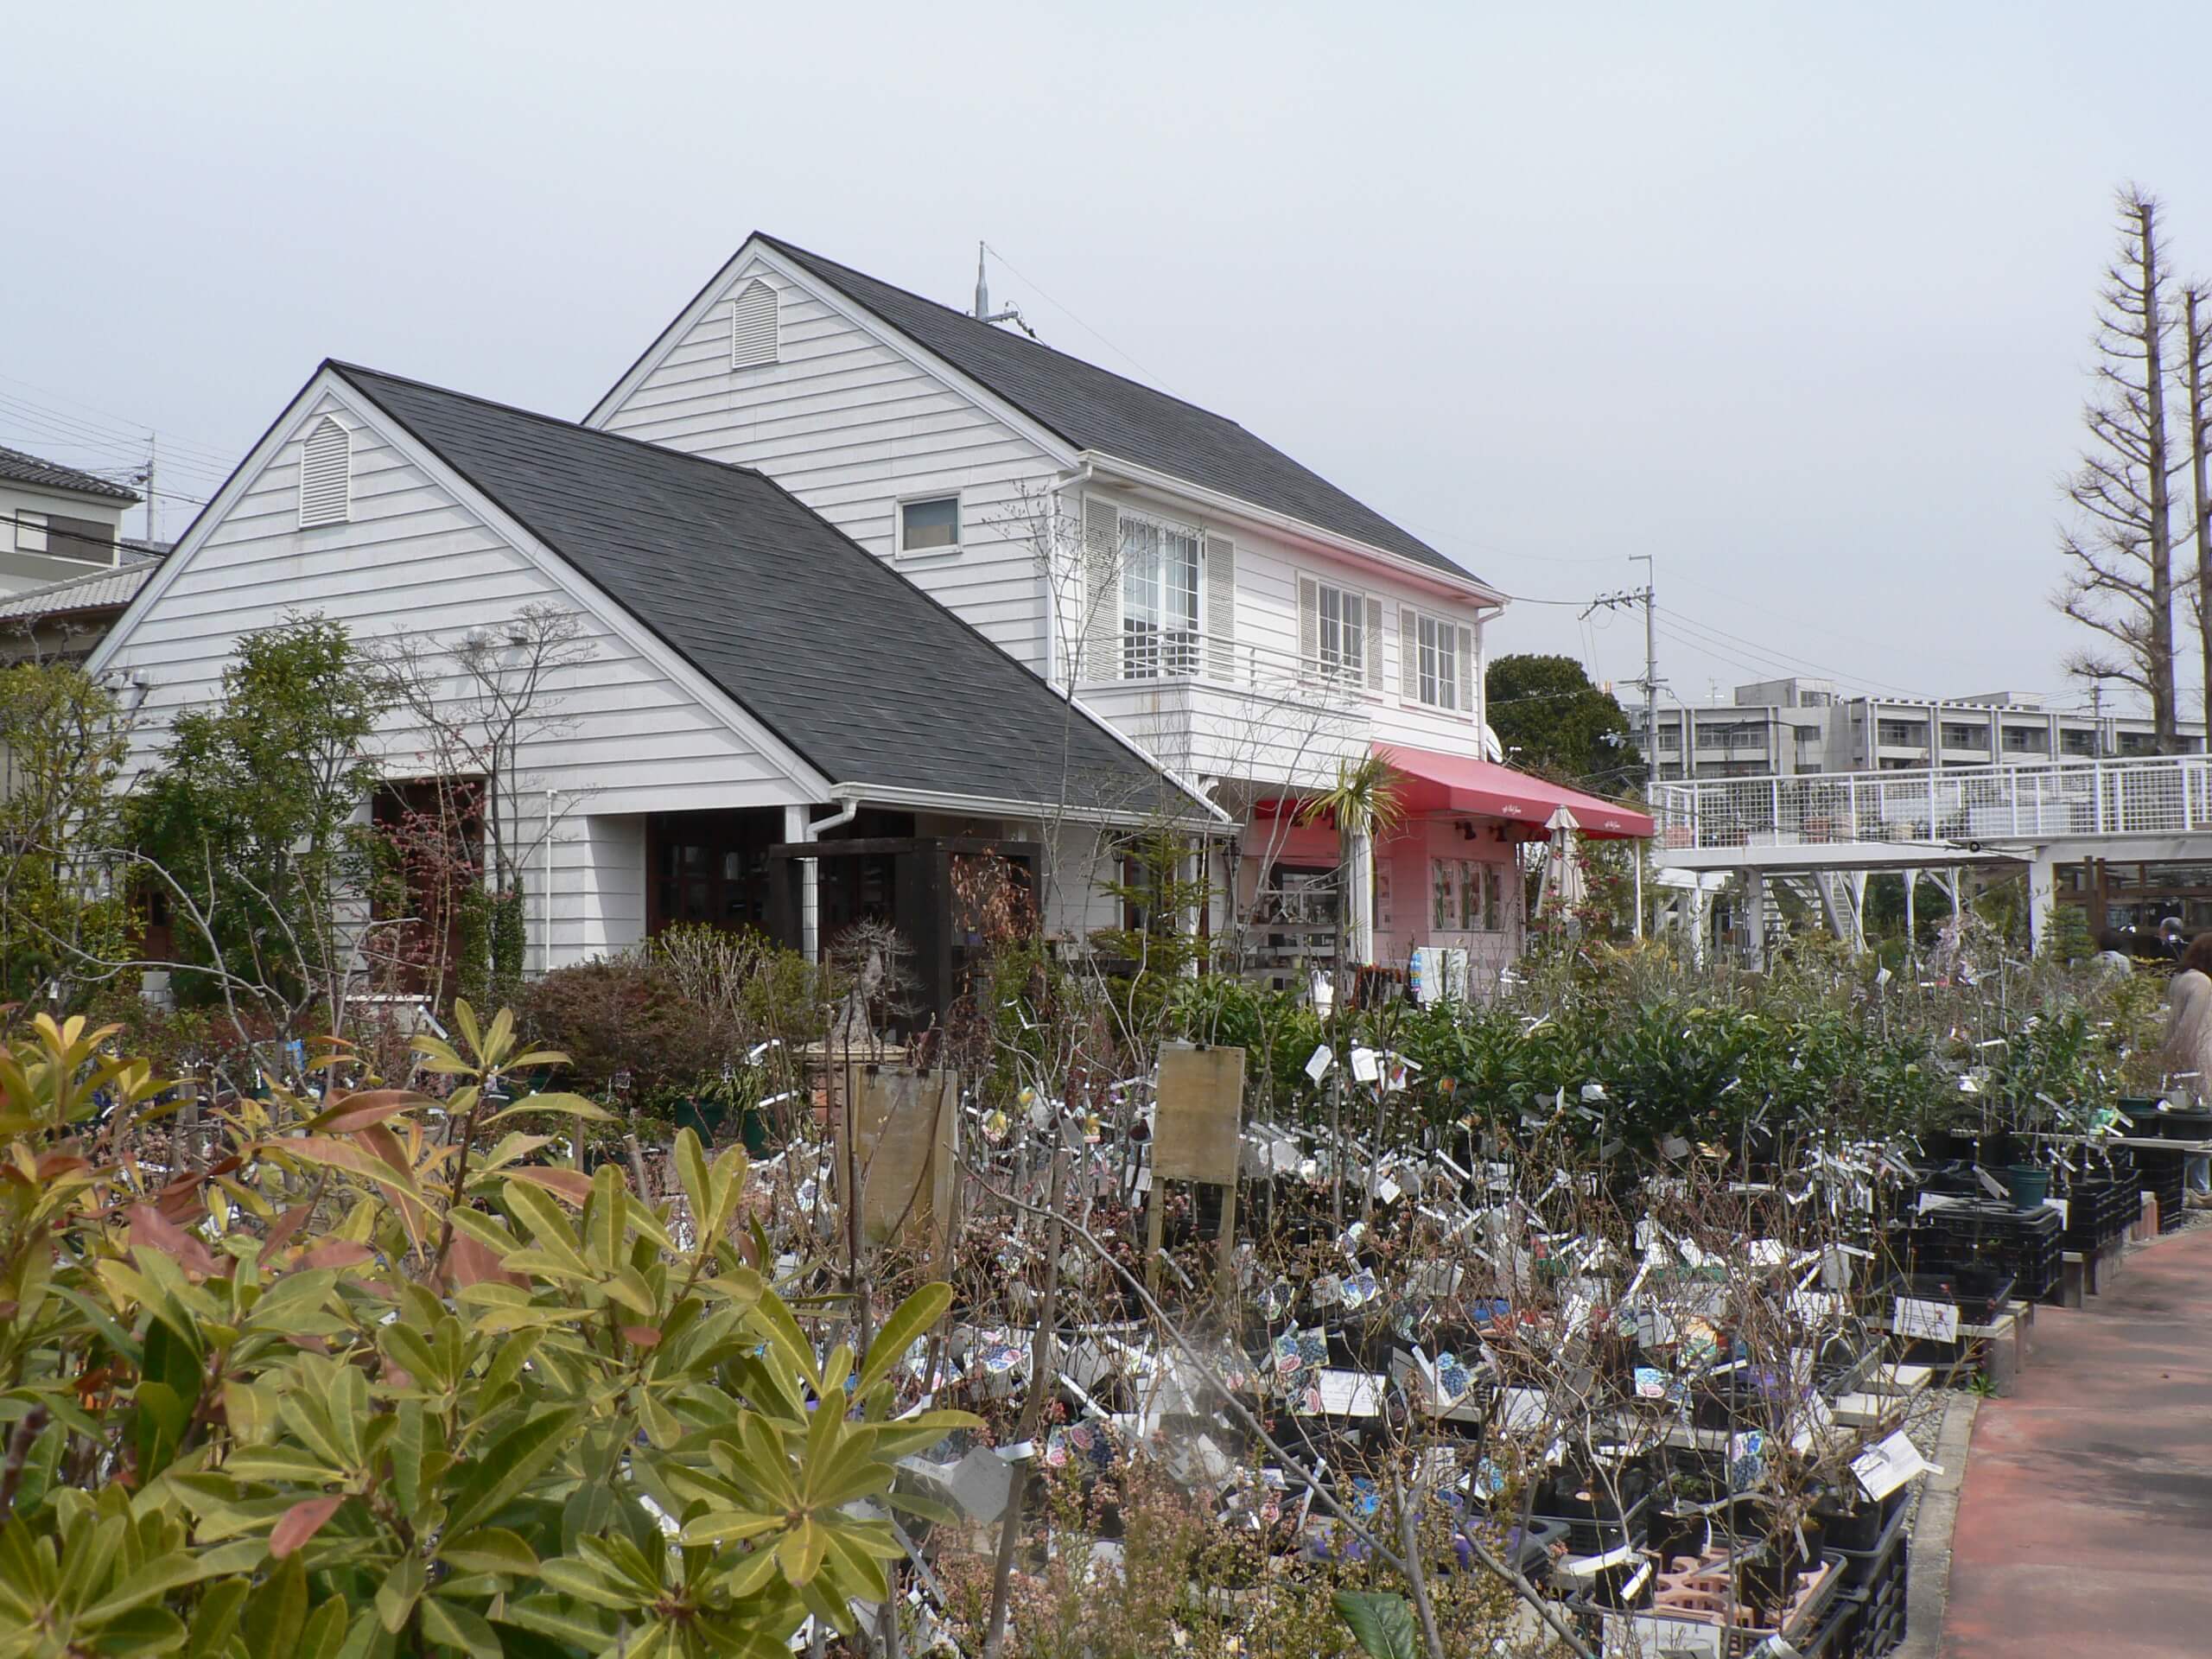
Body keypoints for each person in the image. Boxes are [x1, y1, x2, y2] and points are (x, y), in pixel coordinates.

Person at [2158, 930, 2212, 1207]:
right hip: (2200, 1062)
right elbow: (2191, 1027)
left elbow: (2172, 1023)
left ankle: (2195, 1188)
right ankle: (2199, 1190)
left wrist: (2167, 1057)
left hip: (2182, 1062)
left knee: (2190, 1127)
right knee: (2202, 1129)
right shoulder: (2203, 983)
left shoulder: (2181, 979)